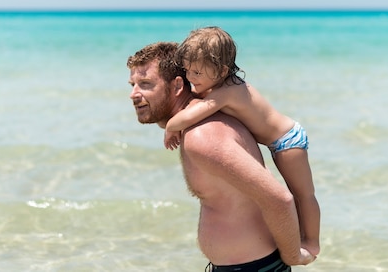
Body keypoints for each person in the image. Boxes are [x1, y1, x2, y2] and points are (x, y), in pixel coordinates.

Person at [127, 42, 315, 271]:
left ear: (177, 85)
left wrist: (292, 256)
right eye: (133, 84)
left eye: (145, 84)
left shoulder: (202, 137)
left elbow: (279, 200)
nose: (133, 94)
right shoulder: (202, 120)